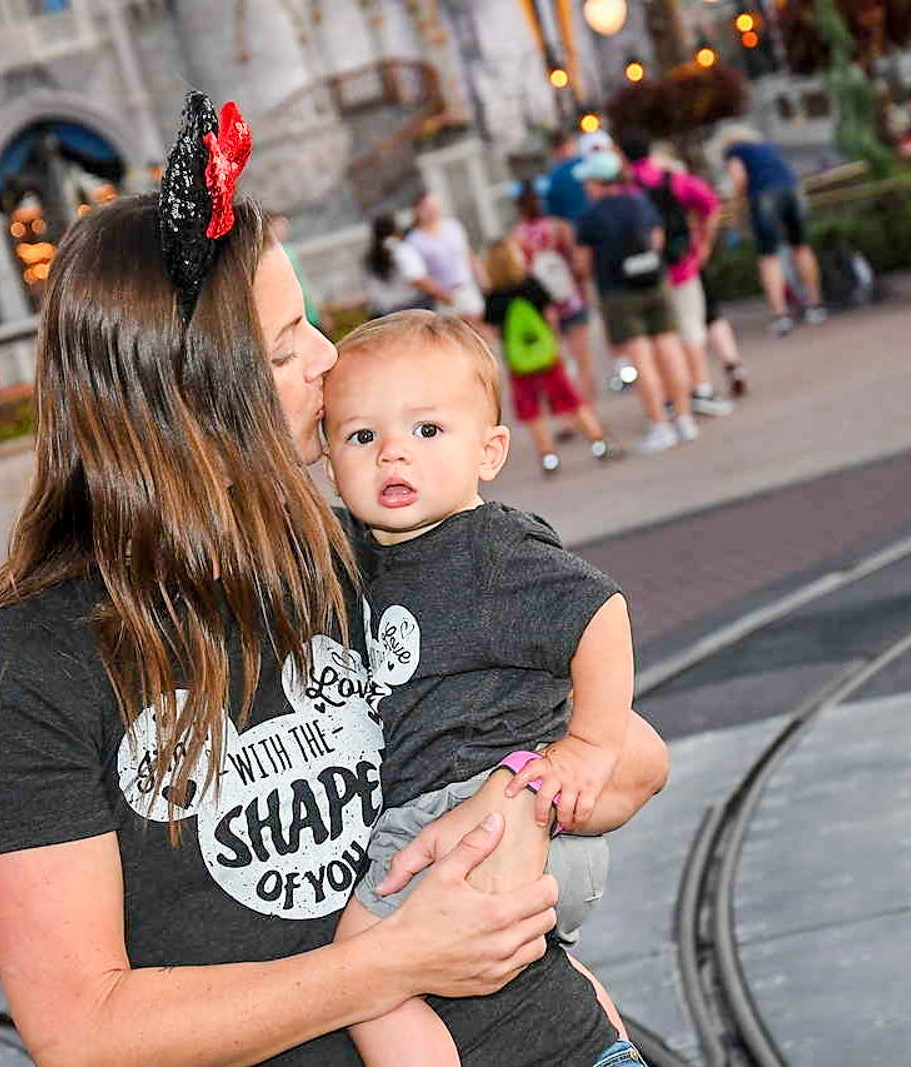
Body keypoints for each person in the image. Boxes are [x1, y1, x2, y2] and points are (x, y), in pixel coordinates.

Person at [0, 91, 670, 1066]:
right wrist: (388, 962)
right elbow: (80, 1028)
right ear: (192, 394)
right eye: (287, 346)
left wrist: (516, 799)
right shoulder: (32, 666)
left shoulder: (367, 548)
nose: (329, 362)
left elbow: (631, 754)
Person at [322, 310, 645, 1064]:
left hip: (484, 810)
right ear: (327, 456)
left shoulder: (490, 549)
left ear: (490, 450)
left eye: (428, 430)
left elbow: (599, 609)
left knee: (363, 964)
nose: (393, 451)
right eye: (361, 436)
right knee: (491, 972)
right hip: (480, 822)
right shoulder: (363, 552)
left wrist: (589, 746)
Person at [574, 150, 698, 454]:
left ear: (598, 182)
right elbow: (657, 239)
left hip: (618, 291)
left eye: (588, 182)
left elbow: (582, 264)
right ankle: (684, 418)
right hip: (655, 283)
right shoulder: (640, 201)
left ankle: (660, 425)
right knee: (670, 349)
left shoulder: (590, 217)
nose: (586, 188)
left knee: (641, 359)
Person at [617, 134, 736, 420]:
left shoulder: (624, 189)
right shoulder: (671, 178)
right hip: (681, 266)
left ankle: (671, 397)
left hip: (643, 275)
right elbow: (709, 202)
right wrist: (704, 242)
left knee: (659, 338)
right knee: (692, 331)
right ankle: (702, 390)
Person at [482, 238, 618, 474]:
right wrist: (553, 342)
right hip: (546, 356)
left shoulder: (494, 298)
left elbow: (493, 332)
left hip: (519, 363)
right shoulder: (530, 285)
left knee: (531, 410)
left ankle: (548, 457)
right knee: (570, 399)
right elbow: (550, 315)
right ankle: (599, 442)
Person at [719, 127, 826, 337]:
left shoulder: (734, 150)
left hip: (764, 196)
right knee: (801, 247)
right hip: (792, 190)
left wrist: (735, 208)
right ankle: (815, 305)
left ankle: (781, 315)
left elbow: (739, 178)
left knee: (769, 257)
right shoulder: (766, 146)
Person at [512, 185, 601, 404]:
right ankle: (588, 410)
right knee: (583, 360)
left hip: (543, 307)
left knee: (557, 362)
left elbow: (518, 275)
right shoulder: (559, 227)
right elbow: (579, 262)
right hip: (572, 300)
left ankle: (569, 414)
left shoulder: (518, 236)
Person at [404, 191, 486, 324]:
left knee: (477, 328)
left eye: (434, 207)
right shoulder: (414, 240)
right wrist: (441, 293)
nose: (432, 212)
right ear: (417, 211)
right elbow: (417, 275)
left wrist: (481, 275)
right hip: (443, 297)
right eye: (427, 208)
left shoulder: (453, 226)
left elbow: (467, 253)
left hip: (466, 288)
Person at [363, 214, 431, 317]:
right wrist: (444, 295)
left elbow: (372, 291)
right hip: (412, 309)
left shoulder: (370, 257)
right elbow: (417, 279)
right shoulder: (401, 250)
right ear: (395, 228)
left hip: (384, 314)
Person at [269, 212, 322, 329]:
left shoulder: (289, 251)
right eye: (279, 226)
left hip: (309, 310)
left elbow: (303, 283)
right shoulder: (275, 255)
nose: (284, 229)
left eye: (285, 225)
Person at [539, 129, 589, 225]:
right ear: (569, 144)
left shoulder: (553, 178)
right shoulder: (587, 163)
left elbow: (553, 215)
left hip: (574, 229)